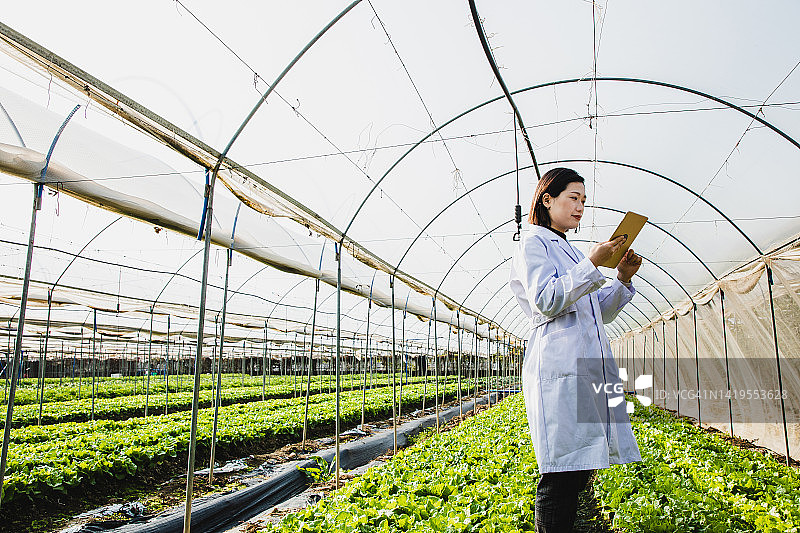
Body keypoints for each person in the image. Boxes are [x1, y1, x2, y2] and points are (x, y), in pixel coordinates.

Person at [508, 167, 643, 532]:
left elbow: (598, 312)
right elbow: (547, 299)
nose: (580, 207)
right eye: (573, 198)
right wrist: (592, 262)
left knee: (580, 468)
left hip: (585, 368)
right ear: (547, 200)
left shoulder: (568, 250)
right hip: (560, 369)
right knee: (561, 472)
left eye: (584, 200)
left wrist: (622, 278)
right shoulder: (532, 242)